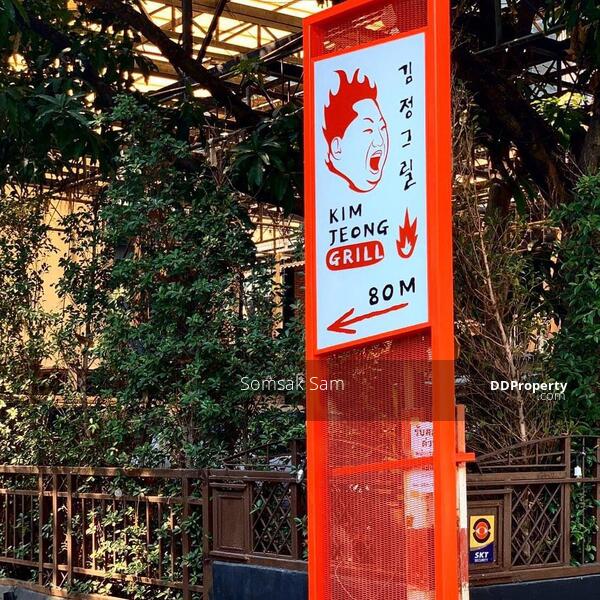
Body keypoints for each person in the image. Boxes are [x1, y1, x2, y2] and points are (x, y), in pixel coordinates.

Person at [323, 69, 389, 193]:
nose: (379, 141)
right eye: (368, 130)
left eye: (382, 128)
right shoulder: (328, 192)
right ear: (337, 148)